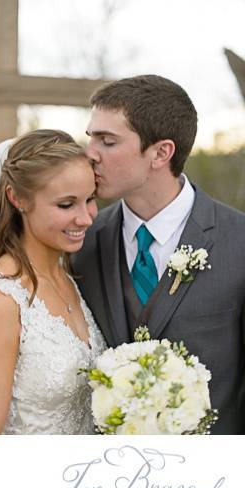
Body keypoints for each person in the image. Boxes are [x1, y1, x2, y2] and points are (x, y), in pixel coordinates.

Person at [73, 74, 245, 434]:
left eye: (107, 141)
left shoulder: (239, 241)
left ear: (161, 152)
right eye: (91, 137)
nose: (90, 154)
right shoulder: (81, 242)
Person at [0, 129, 106, 434]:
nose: (86, 218)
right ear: (18, 198)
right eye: (66, 205)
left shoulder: (68, 278)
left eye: (90, 199)